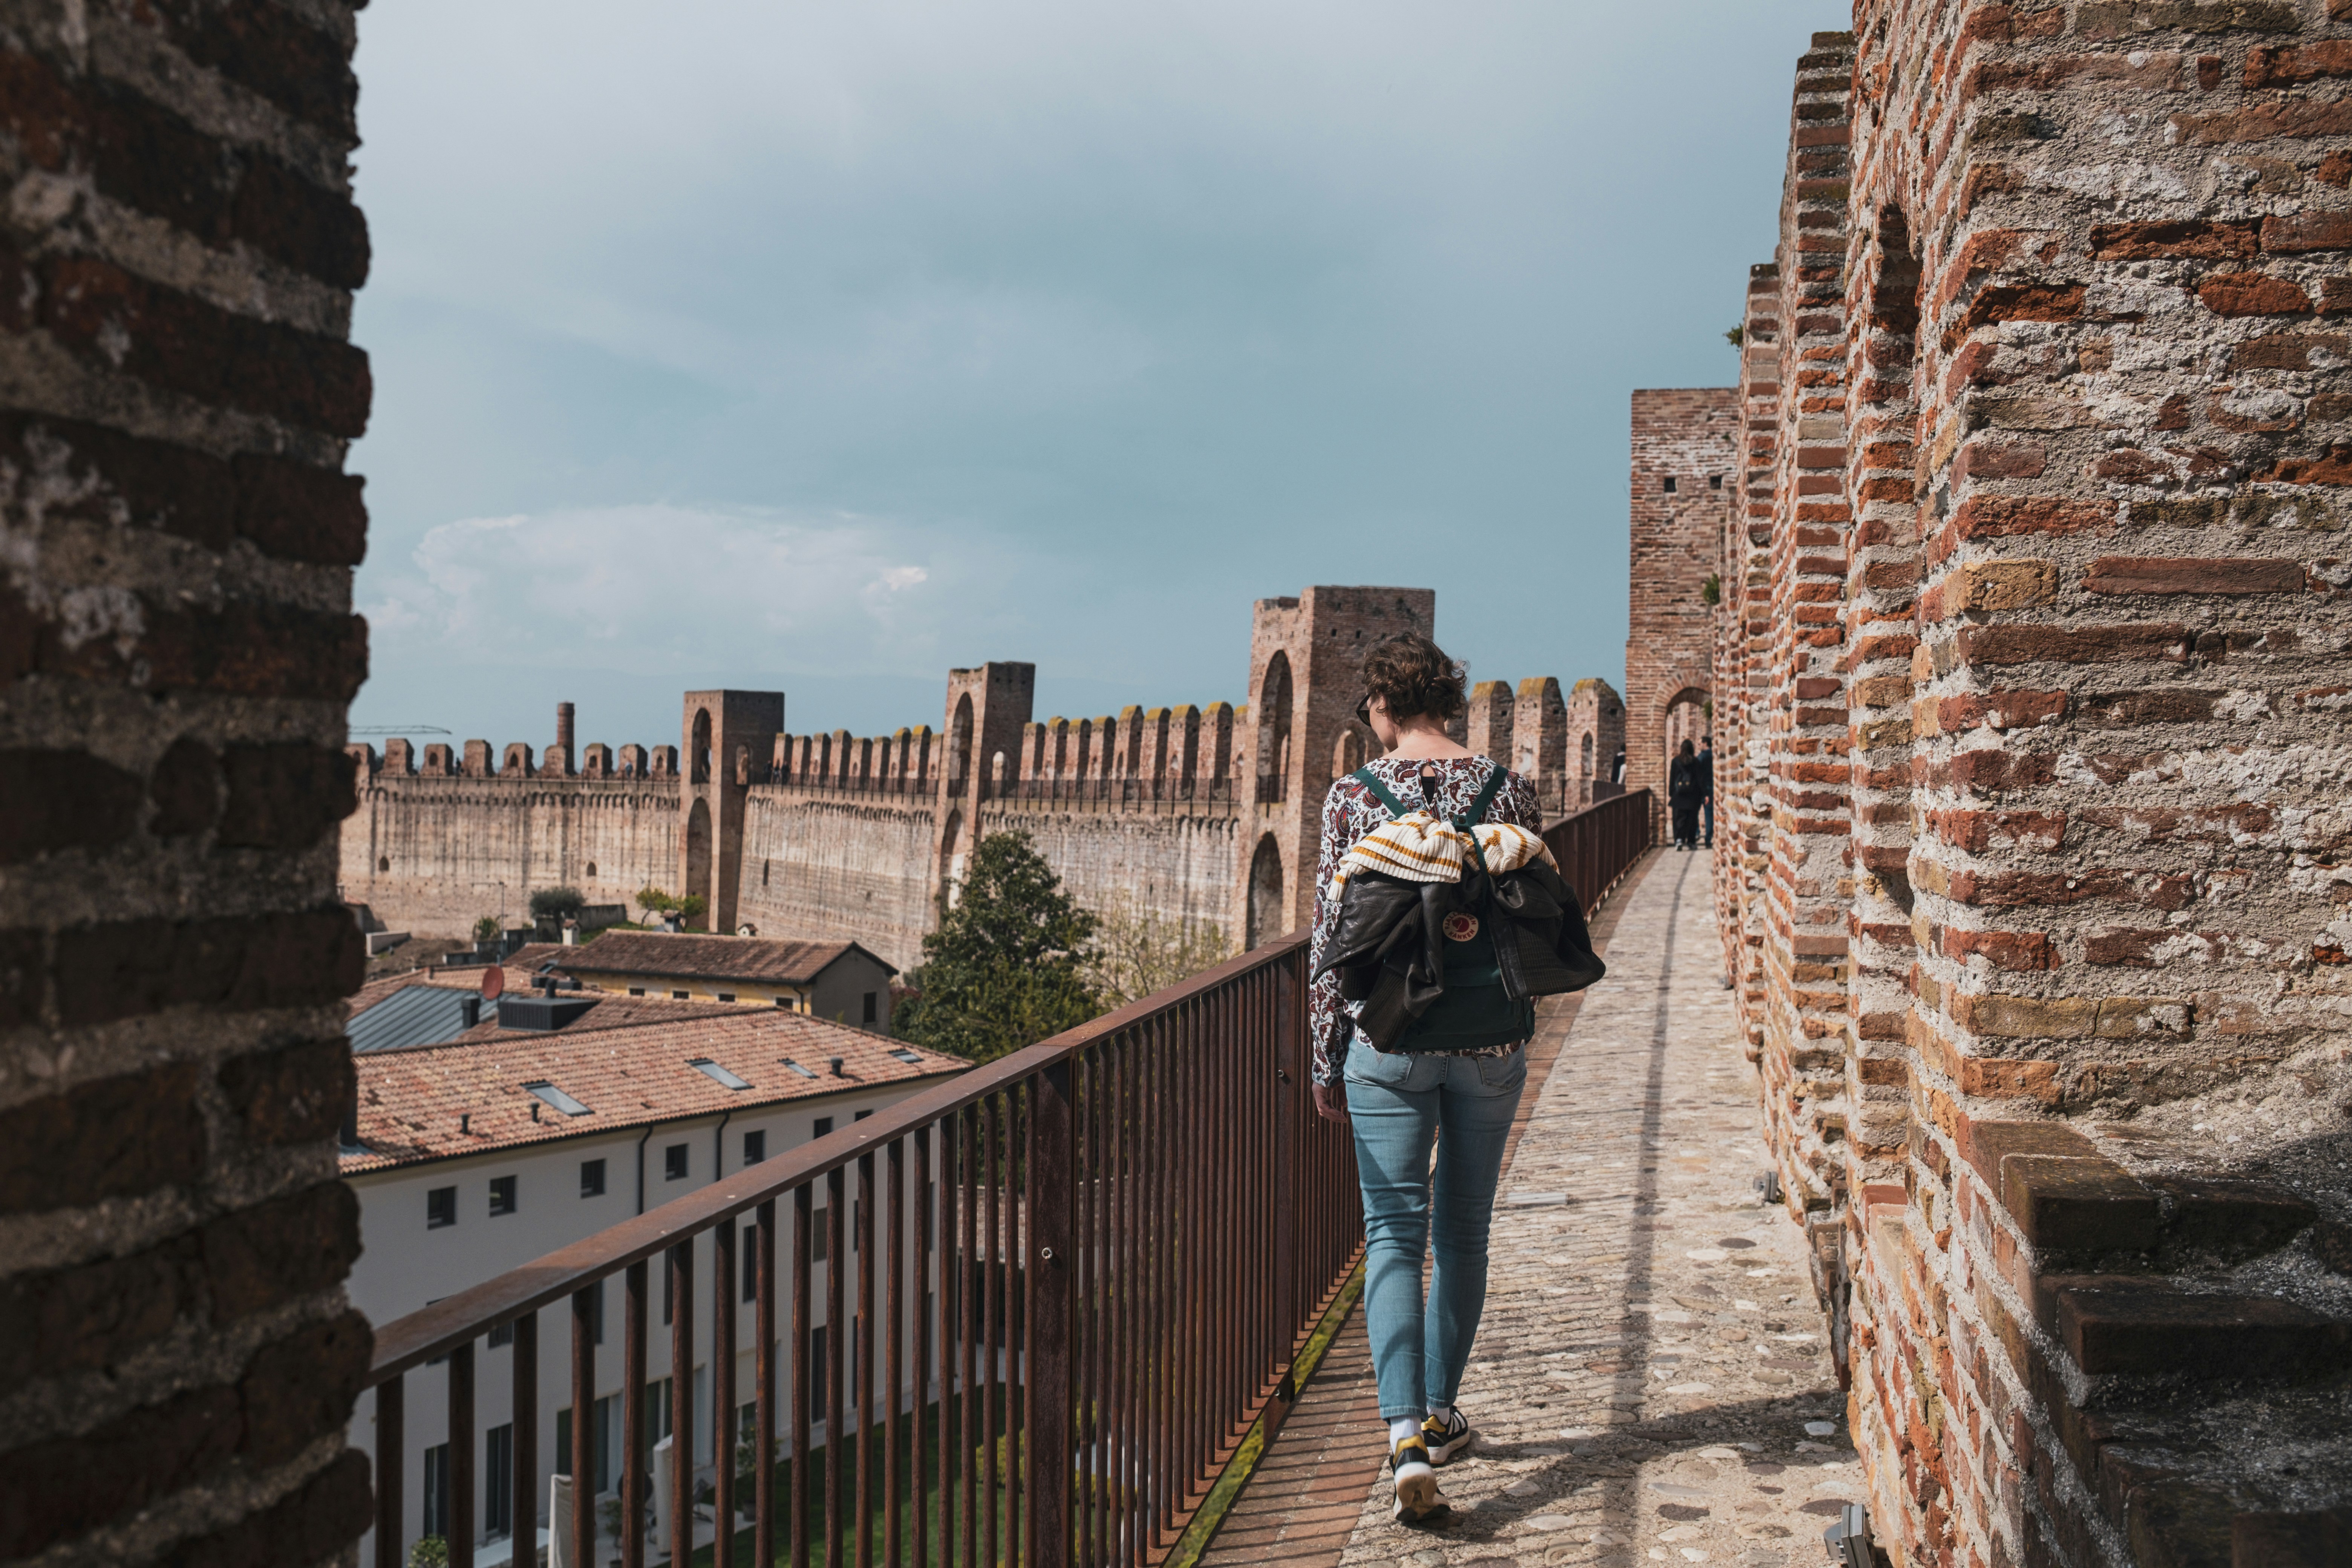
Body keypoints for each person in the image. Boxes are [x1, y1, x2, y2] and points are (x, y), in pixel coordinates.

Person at [1309, 632, 1540, 1526]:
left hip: (1391, 1041)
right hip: (1488, 1041)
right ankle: (1443, 1412)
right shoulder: (1507, 786)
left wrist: (1326, 1059)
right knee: (1466, 1233)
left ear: (1378, 704)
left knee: (1395, 1236)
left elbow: (1333, 946)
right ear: (1449, 699)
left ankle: (1403, 1429)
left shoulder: (1352, 796)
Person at [1668, 738, 1701, 850]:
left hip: (1679, 795)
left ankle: (1679, 840)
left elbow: (1673, 778)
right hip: (1693, 795)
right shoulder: (1696, 761)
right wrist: (1703, 795)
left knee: (1679, 819)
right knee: (1692, 820)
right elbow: (1699, 779)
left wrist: (1672, 793)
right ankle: (1691, 842)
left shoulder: (1676, 761)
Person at [1696, 734, 1715, 849]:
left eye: (1700, 744)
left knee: (1695, 813)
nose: (1699, 746)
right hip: (1711, 787)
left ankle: (1697, 833)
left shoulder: (1702, 757)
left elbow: (1698, 775)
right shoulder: (1714, 755)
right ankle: (1708, 839)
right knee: (1709, 815)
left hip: (1702, 789)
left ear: (1705, 743)